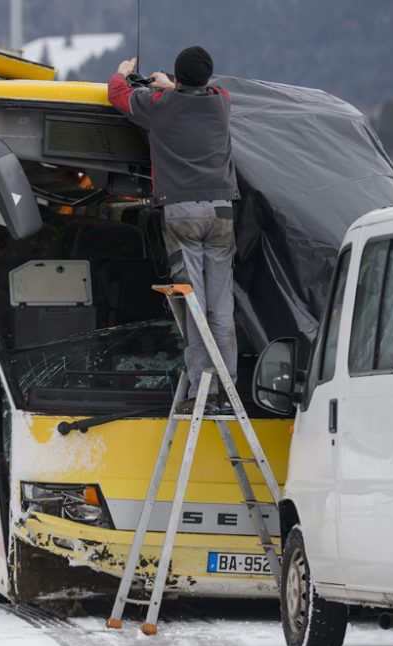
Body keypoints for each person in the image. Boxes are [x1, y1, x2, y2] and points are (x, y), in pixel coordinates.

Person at [107, 46, 240, 413]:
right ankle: (228, 389)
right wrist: (172, 85)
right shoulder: (221, 103)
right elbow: (203, 91)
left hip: (182, 213)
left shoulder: (159, 105)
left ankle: (203, 393)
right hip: (221, 212)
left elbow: (117, 95)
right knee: (220, 307)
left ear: (177, 79)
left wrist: (122, 72)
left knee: (193, 306)